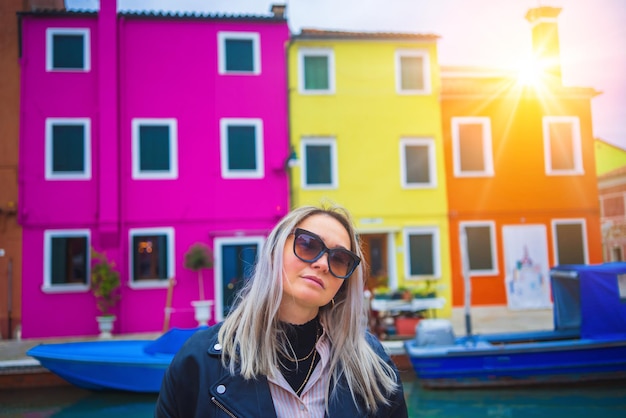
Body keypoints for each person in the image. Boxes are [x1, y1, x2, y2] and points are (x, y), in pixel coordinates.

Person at [155, 204, 408, 417]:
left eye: (340, 259)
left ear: (343, 284)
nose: (322, 264)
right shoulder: (197, 362)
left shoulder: (374, 364)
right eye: (308, 245)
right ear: (275, 252)